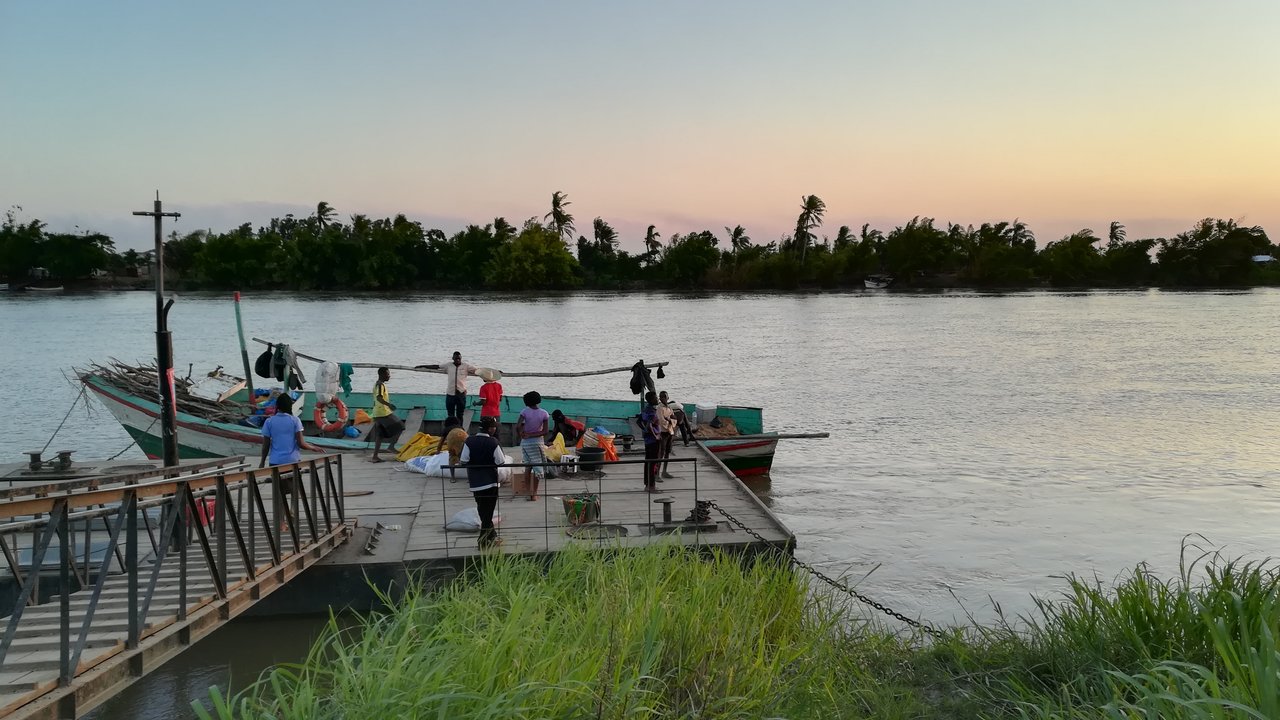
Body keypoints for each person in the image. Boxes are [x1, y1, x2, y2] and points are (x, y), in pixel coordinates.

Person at [460, 417, 505, 549]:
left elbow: (464, 459)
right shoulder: (493, 442)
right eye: (494, 427)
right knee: (488, 512)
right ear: (490, 429)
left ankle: (492, 536)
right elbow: (500, 461)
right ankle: (482, 541)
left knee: (482, 509)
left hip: (475, 482)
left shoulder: (469, 441)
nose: (495, 429)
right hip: (490, 481)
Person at [259, 394, 323, 468]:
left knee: (278, 480)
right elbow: (301, 444)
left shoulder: (269, 421)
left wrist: (262, 462)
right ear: (290, 406)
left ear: (277, 406)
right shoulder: (295, 420)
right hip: (293, 460)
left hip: (276, 461)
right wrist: (313, 448)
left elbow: (266, 446)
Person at [415, 351, 479, 423]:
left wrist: (485, 376)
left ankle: (460, 430)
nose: (457, 360)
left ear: (461, 358)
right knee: (450, 415)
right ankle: (451, 429)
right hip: (450, 394)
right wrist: (422, 366)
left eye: (459, 358)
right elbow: (437, 366)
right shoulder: (448, 365)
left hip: (461, 393)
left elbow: (477, 371)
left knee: (460, 414)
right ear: (453, 358)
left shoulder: (466, 366)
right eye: (456, 358)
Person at [516, 391, 550, 501]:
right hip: (537, 443)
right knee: (537, 468)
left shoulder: (524, 412)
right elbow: (545, 431)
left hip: (526, 443)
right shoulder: (544, 413)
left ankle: (528, 492)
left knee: (528, 466)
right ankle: (534, 494)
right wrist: (532, 435)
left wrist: (522, 434)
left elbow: (518, 426)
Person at [369, 367, 403, 463]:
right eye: (387, 374)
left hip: (377, 412)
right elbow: (379, 398)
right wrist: (389, 405)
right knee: (400, 426)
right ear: (382, 374)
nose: (389, 376)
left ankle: (375, 456)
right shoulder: (380, 385)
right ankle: (391, 446)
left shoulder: (378, 384)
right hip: (382, 413)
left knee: (380, 434)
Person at [433, 416, 470, 482]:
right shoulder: (461, 427)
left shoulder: (446, 429)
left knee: (452, 457)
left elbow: (441, 441)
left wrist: (438, 450)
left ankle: (453, 477)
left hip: (453, 441)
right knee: (466, 458)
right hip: (464, 439)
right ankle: (469, 478)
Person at [639, 392, 662, 492]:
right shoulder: (652, 411)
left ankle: (647, 484)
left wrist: (644, 431)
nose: (657, 399)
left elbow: (639, 421)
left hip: (647, 440)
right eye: (655, 397)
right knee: (653, 462)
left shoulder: (645, 409)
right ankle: (651, 486)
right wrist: (656, 435)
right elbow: (650, 425)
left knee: (648, 462)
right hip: (653, 440)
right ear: (651, 399)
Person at [655, 394, 676, 479]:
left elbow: (674, 418)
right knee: (661, 453)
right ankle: (657, 474)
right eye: (661, 396)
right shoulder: (659, 408)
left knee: (667, 451)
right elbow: (661, 420)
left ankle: (664, 471)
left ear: (668, 398)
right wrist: (669, 421)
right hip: (663, 432)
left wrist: (670, 420)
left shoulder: (669, 408)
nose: (663, 398)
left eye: (665, 396)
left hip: (670, 432)